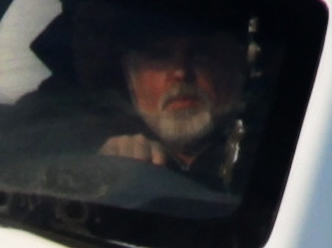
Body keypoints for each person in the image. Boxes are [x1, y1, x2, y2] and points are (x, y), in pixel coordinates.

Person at [97, 11, 252, 191]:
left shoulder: (278, 159)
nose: (181, 72)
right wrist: (105, 173)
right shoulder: (94, 147)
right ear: (131, 79)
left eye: (201, 54)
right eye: (159, 56)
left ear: (235, 70)